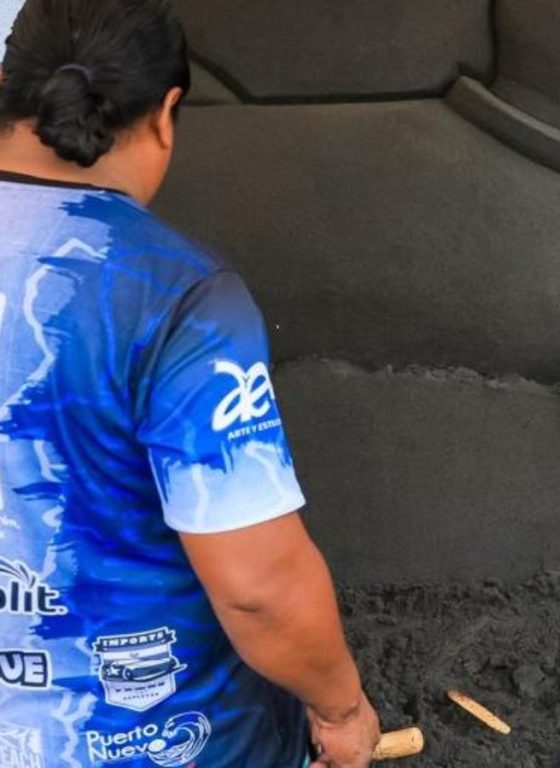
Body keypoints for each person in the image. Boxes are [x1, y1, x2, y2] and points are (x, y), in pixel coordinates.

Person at [0, 1, 380, 766]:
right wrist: (341, 710)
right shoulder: (178, 297)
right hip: (148, 739)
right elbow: (257, 585)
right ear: (166, 113)